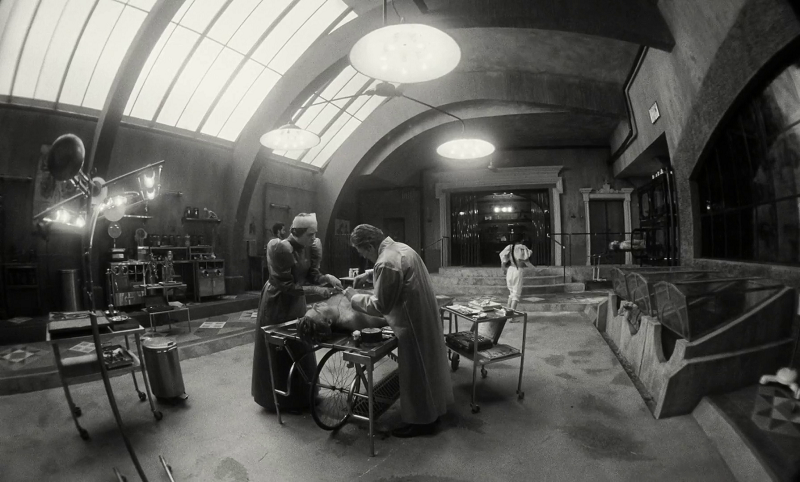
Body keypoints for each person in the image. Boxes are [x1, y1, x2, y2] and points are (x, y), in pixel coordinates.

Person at [343, 224, 452, 438]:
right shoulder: (401, 248)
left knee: (415, 374)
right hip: (423, 318)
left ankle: (422, 422)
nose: (364, 257)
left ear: (369, 245)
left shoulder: (386, 262)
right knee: (427, 369)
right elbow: (392, 271)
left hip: (411, 325)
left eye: (362, 252)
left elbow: (380, 305)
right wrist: (368, 274)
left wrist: (353, 297)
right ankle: (432, 411)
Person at [251, 213, 343, 411]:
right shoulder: (280, 248)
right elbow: (286, 286)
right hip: (278, 300)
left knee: (301, 340)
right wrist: (316, 290)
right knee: (280, 346)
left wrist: (326, 278)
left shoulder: (312, 246)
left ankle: (303, 394)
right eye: (310, 234)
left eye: (314, 234)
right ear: (296, 232)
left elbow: (312, 274)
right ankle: (279, 400)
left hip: (297, 301)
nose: (313, 238)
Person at [500, 232, 533, 310]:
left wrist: (503, 269)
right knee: (516, 295)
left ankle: (508, 312)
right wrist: (535, 269)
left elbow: (503, 259)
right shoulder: (522, 248)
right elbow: (526, 260)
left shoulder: (509, 247)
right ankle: (512, 314)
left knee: (511, 293)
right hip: (518, 270)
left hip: (510, 269)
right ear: (522, 240)